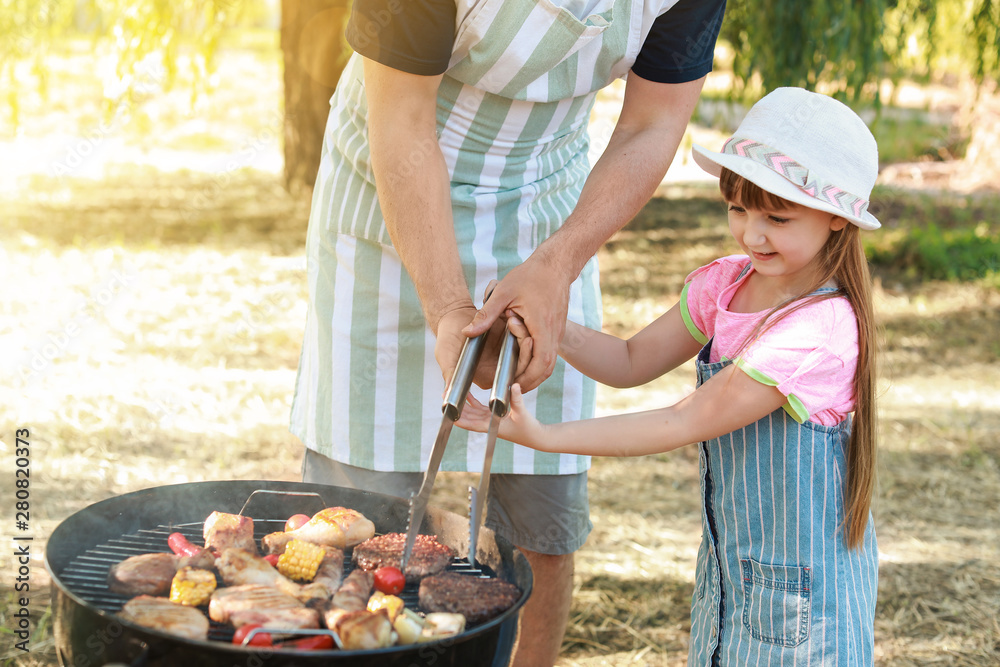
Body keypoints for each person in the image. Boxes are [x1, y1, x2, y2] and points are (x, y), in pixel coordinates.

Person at [290, 0, 727, 664]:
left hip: (545, 213)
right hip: (386, 208)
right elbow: (403, 119)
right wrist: (445, 306)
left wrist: (557, 265)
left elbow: (653, 121)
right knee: (355, 514)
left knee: (538, 519)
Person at [457, 87, 881, 665]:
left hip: (803, 602)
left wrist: (546, 437)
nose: (751, 235)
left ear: (836, 217)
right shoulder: (728, 285)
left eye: (777, 218)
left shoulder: (820, 331)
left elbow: (686, 419)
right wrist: (547, 321)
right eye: (738, 209)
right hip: (733, 570)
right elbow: (630, 362)